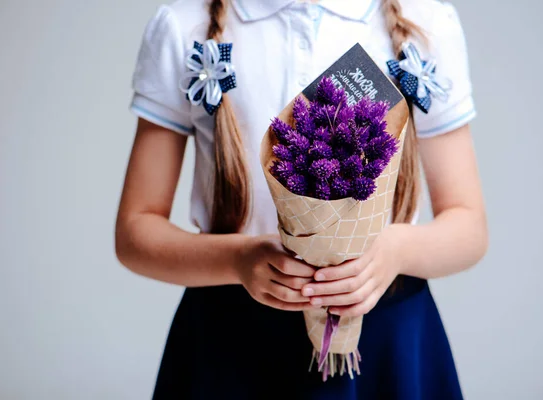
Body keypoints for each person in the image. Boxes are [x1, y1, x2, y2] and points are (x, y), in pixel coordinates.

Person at [115, 0, 488, 398]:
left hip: (387, 343)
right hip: (230, 342)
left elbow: (469, 228)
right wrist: (239, 260)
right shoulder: (183, 26)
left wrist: (392, 252)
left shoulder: (426, 24)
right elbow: (135, 232)